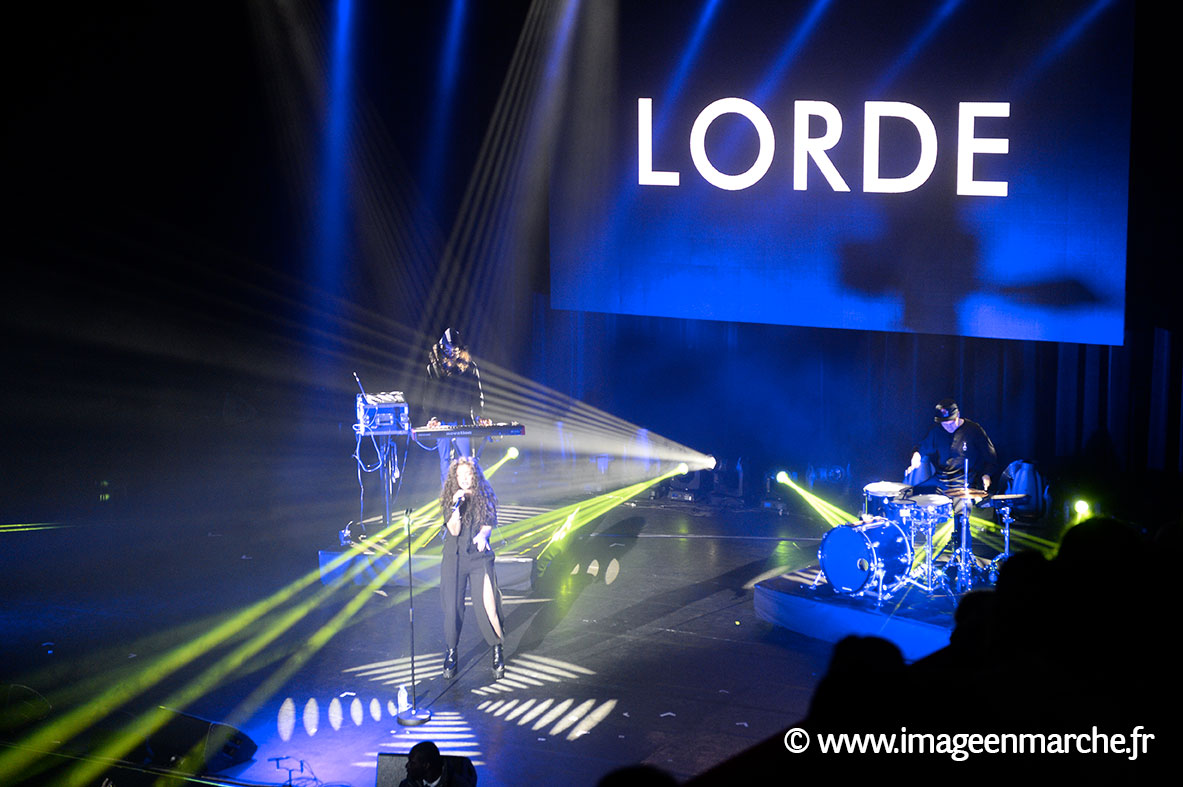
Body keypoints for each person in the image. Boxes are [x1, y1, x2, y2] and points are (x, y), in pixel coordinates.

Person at [906, 398, 997, 564]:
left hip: (964, 482)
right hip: (941, 479)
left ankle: (964, 560)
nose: (947, 426)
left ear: (958, 416)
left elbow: (990, 457)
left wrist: (986, 475)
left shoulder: (973, 430)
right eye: (943, 423)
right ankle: (905, 550)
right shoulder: (936, 430)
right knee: (907, 495)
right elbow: (922, 447)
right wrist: (916, 456)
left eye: (950, 423)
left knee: (962, 516)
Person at [439, 457, 505, 680]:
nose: (464, 479)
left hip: (479, 557)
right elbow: (454, 530)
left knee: (489, 606)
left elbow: (488, 523)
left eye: (468, 475)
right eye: (460, 476)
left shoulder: (485, 494)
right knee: (452, 609)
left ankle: (497, 649)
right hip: (454, 558)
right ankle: (451, 652)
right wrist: (456, 505)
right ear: (455, 479)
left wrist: (482, 535)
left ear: (475, 475)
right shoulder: (450, 498)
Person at [425, 328, 487, 484]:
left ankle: (467, 499)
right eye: (448, 350)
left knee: (465, 462)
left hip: (463, 420)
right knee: (445, 462)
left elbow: (477, 395)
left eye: (455, 351)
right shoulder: (433, 370)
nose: (452, 354)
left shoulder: (470, 368)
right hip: (442, 421)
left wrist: (479, 416)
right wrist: (433, 418)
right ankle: (448, 500)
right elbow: (428, 399)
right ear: (442, 349)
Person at [399, 741, 477, 787]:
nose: (407, 766)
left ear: (426, 765)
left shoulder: (459, 784)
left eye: (412, 763)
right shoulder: (408, 784)